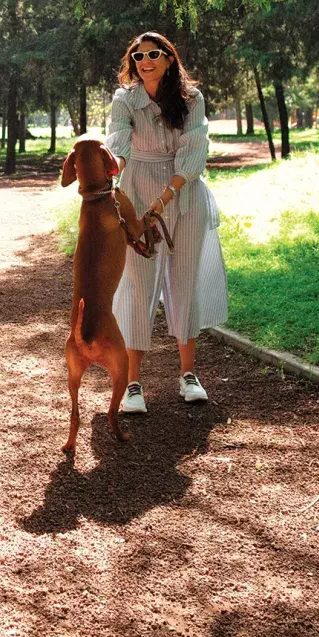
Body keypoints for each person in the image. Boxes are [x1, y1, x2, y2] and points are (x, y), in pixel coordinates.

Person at [105, 32, 228, 411]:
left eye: (153, 54)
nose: (145, 61)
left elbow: (193, 154)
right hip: (138, 193)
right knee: (137, 287)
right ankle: (133, 384)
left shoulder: (191, 100)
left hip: (184, 195)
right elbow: (119, 146)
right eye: (138, 56)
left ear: (169, 58)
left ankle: (188, 374)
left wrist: (164, 199)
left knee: (183, 283)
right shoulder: (125, 99)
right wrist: (113, 181)